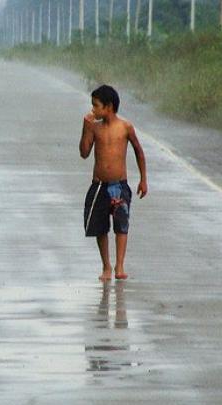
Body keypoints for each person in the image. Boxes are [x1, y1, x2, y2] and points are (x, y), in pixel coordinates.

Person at [80, 85, 147, 281]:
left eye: (96, 106)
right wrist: (85, 128)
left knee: (121, 224)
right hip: (100, 184)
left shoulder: (125, 127)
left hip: (119, 185)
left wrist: (143, 179)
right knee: (99, 226)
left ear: (108, 107)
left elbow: (139, 151)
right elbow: (84, 153)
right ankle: (106, 266)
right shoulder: (94, 127)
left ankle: (120, 265)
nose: (93, 110)